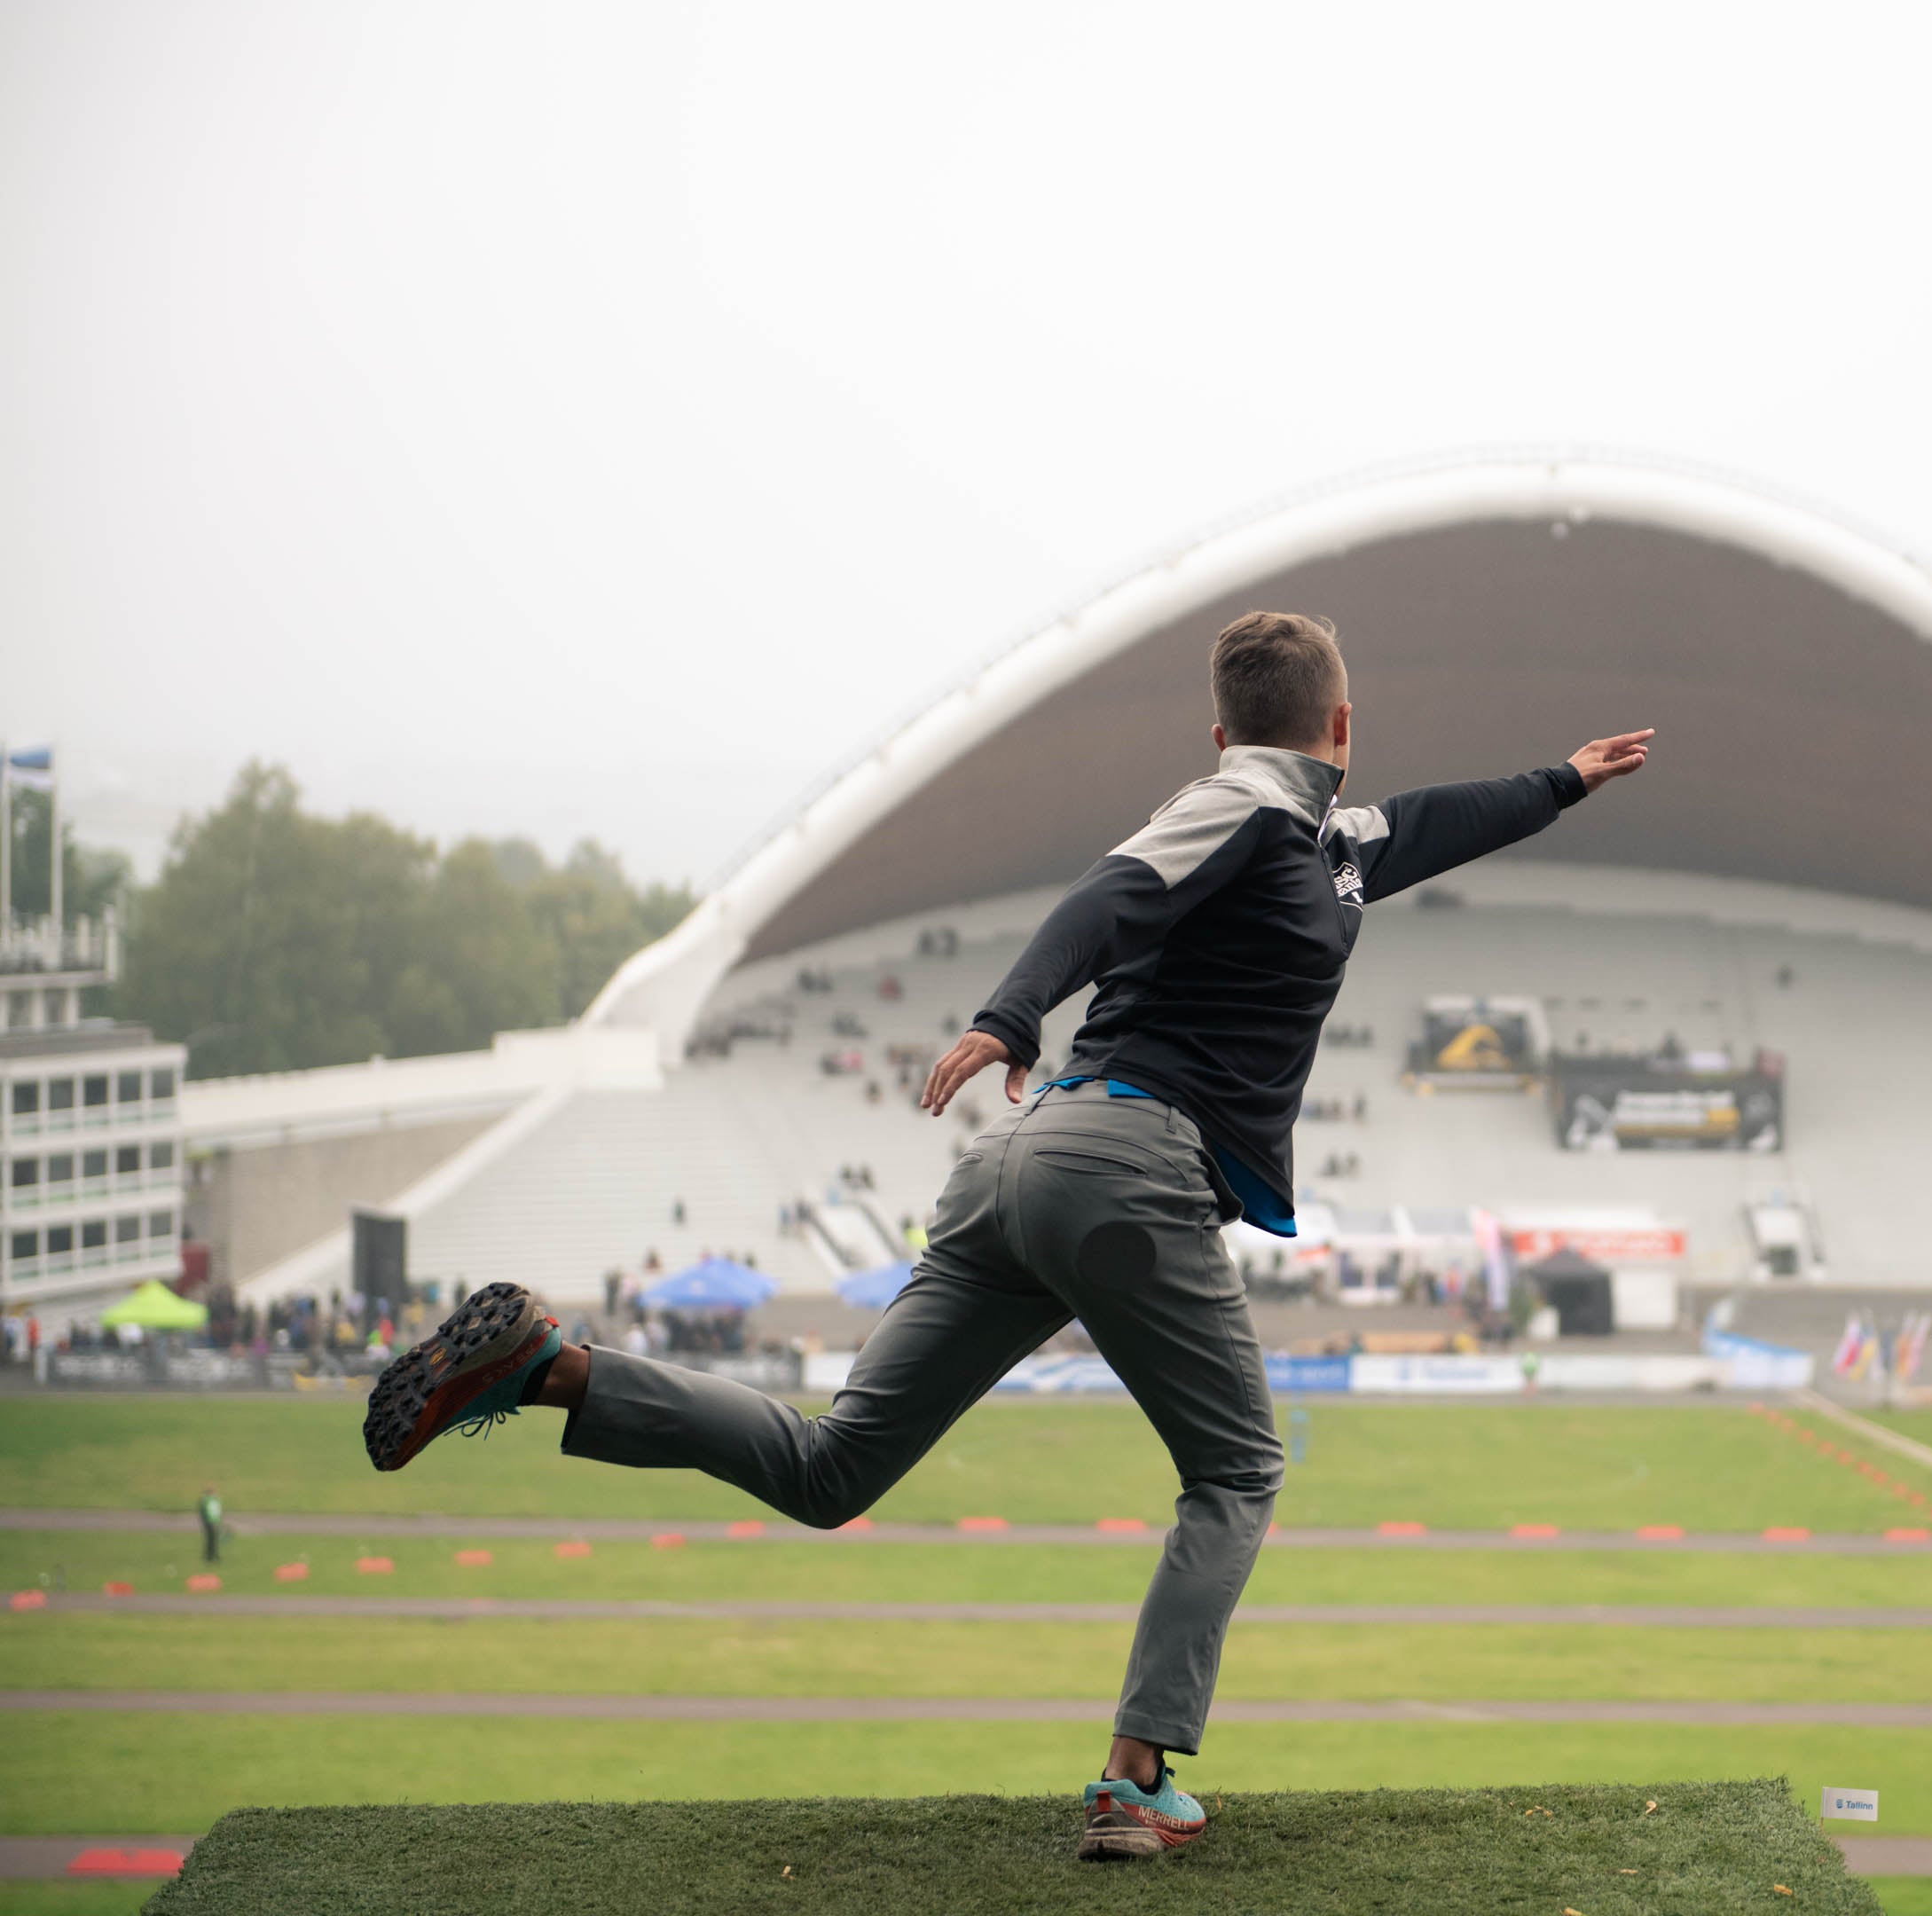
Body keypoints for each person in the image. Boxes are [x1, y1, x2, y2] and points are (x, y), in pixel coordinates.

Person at [355, 609, 1652, 1861]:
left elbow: (1430, 822)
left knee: (832, 1473)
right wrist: (1011, 1015)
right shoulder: (1246, 807)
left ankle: (547, 1367)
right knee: (1238, 1474)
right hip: (1125, 1166)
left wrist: (1559, 784)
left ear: (1221, 727)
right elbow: (1109, 896)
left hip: (1017, 1172)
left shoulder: (1332, 840)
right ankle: (1134, 1785)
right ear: (1343, 722)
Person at [197, 1485, 224, 1563]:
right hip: (213, 1522)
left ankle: (212, 1555)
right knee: (212, 1540)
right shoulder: (214, 1500)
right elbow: (218, 1511)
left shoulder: (205, 1500)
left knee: (211, 1540)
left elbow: (202, 1511)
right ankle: (211, 1556)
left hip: (211, 1522)